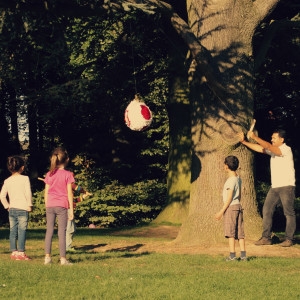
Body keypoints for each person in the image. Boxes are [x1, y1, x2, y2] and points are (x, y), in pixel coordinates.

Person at [238, 129, 296, 247]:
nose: (272, 139)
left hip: (287, 186)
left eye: (274, 138)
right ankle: (266, 238)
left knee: (288, 213)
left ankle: (289, 239)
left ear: (281, 139)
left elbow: (268, 146)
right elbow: (260, 148)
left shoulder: (286, 149)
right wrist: (244, 142)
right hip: (274, 187)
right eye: (272, 137)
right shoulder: (273, 151)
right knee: (266, 210)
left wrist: (254, 137)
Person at [44, 147, 74, 265]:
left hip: (50, 205)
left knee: (49, 231)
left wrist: (47, 205)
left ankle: (47, 258)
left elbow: (46, 192)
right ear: (66, 160)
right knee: (62, 232)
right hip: (62, 206)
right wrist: (71, 209)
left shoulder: (49, 174)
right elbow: (69, 193)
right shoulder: (68, 174)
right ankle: (63, 259)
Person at [215, 156, 248, 261]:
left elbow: (229, 198)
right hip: (238, 206)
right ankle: (243, 256)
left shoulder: (230, 181)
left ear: (226, 166)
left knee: (231, 233)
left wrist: (221, 211)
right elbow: (239, 196)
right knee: (240, 233)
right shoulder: (238, 178)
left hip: (231, 207)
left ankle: (232, 256)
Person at [0, 155, 32, 260]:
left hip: (12, 209)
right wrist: (29, 205)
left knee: (13, 231)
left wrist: (7, 206)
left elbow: (2, 196)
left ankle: (14, 252)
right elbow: (28, 193)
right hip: (23, 209)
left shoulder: (7, 180)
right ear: (22, 167)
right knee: (22, 231)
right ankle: (21, 253)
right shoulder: (25, 178)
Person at [66, 183, 92, 251]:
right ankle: (67, 247)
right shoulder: (68, 183)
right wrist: (84, 191)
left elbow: (74, 200)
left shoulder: (68, 191)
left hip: (69, 209)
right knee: (70, 228)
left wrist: (83, 196)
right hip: (67, 209)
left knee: (72, 228)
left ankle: (67, 246)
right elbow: (78, 188)